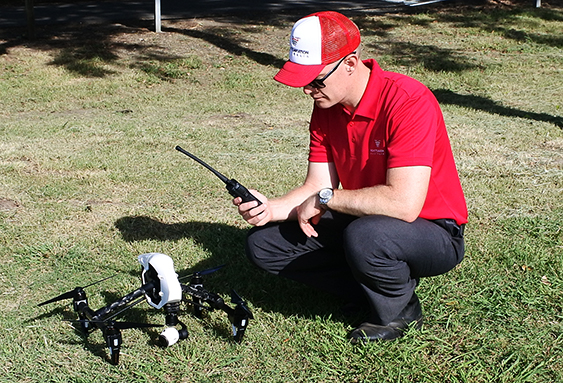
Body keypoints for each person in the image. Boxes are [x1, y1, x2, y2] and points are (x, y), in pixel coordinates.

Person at [233, 11, 467, 342]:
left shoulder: (408, 101)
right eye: (304, 82)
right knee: (264, 246)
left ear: (351, 63)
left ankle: (400, 312)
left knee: (366, 235)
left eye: (316, 80)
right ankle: (374, 287)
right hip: (366, 220)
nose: (308, 91)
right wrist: (269, 209)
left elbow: (404, 205)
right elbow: (317, 186)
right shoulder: (326, 108)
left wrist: (329, 199)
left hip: (434, 231)